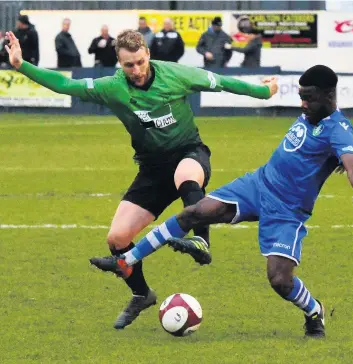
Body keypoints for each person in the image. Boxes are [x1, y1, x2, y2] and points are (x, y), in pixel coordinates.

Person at [5, 29, 278, 330]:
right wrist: (21, 65)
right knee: (117, 238)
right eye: (128, 65)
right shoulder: (112, 87)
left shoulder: (176, 74)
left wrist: (263, 92)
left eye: (139, 62)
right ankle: (141, 294)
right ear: (119, 64)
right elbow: (65, 84)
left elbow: (223, 81)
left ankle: (201, 239)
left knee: (186, 175)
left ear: (147, 54)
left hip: (189, 152)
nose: (135, 70)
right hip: (151, 169)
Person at [91, 65, 353, 338]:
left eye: (308, 98)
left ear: (328, 96)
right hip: (258, 184)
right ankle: (126, 260)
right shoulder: (313, 114)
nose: (302, 104)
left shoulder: (338, 129)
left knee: (280, 280)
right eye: (300, 97)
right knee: (194, 213)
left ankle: (314, 311)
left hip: (287, 210)